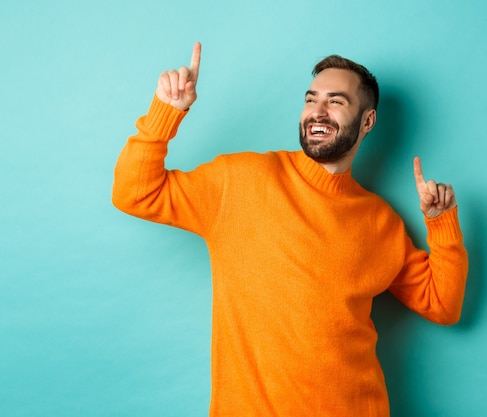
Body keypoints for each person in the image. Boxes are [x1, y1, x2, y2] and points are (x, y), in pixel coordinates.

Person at [112, 42, 468, 417]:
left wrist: (441, 221)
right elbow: (134, 194)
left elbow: (442, 305)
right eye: (311, 99)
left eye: (336, 101)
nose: (317, 111)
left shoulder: (380, 221)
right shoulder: (241, 181)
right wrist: (167, 111)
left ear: (367, 121)